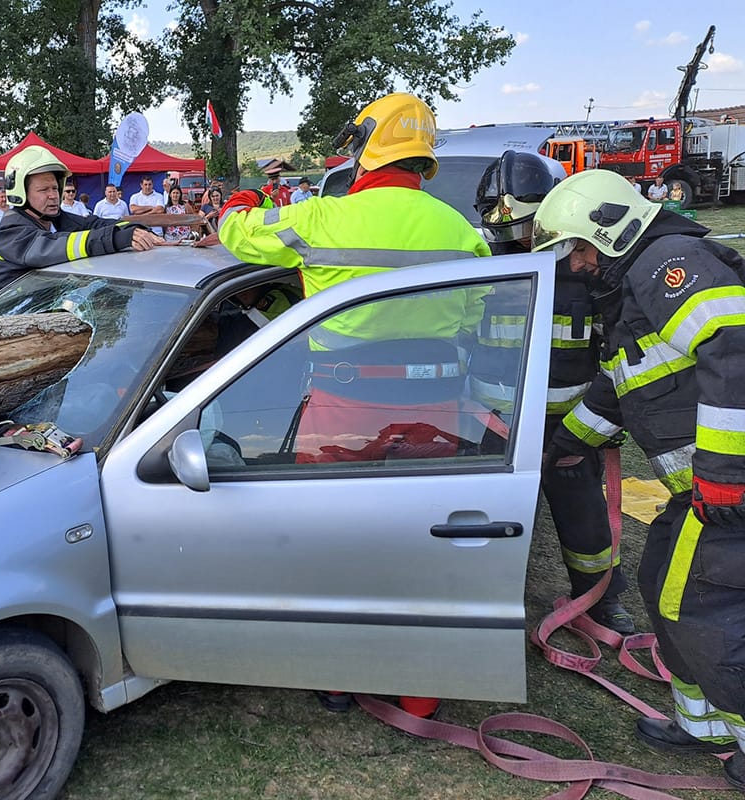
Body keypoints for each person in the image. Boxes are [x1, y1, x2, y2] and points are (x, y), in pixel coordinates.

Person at [218, 91, 491, 720]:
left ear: (368, 145)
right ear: (421, 156)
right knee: (426, 550)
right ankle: (420, 697)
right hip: (438, 408)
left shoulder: (320, 219)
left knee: (336, 550)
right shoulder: (459, 230)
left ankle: (340, 680)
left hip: (345, 407)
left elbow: (237, 235)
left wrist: (242, 200)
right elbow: (476, 311)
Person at [533, 168, 745, 790]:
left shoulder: (670, 264)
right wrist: (566, 445)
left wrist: (728, 476)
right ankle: (702, 724)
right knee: (660, 584)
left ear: (610, 231)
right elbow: (621, 388)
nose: (574, 265)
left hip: (726, 492)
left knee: (696, 605)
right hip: (702, 494)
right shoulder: (634, 294)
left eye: (577, 249)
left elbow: (734, 350)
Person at [471, 151, 634, 634]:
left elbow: (618, 356)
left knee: (583, 516)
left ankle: (601, 599)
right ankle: (485, 594)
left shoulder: (589, 274)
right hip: (496, 424)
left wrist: (601, 424)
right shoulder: (484, 268)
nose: (517, 241)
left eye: (524, 228)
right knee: (484, 519)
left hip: (570, 423)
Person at [0, 145, 161, 298]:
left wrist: (138, 230)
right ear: (20, 192)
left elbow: (96, 224)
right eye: (43, 190)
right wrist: (116, 238)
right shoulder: (10, 230)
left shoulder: (58, 218)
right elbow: (53, 246)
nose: (53, 195)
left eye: (55, 188)